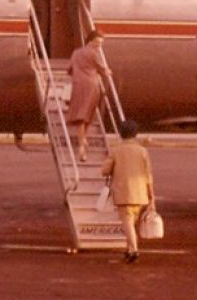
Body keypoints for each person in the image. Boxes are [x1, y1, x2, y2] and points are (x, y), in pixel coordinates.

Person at [101, 120, 154, 263]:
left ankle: (134, 250)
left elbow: (104, 170)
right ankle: (129, 249)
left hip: (124, 193)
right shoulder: (143, 151)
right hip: (141, 193)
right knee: (132, 223)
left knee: (127, 223)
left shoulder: (116, 150)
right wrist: (152, 197)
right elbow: (148, 175)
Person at [66, 30, 110, 161]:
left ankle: (82, 143)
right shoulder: (94, 53)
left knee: (81, 115)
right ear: (91, 41)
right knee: (87, 114)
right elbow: (102, 70)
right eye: (98, 42)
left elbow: (69, 69)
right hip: (92, 85)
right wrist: (107, 72)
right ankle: (82, 143)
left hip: (78, 84)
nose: (99, 45)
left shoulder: (76, 52)